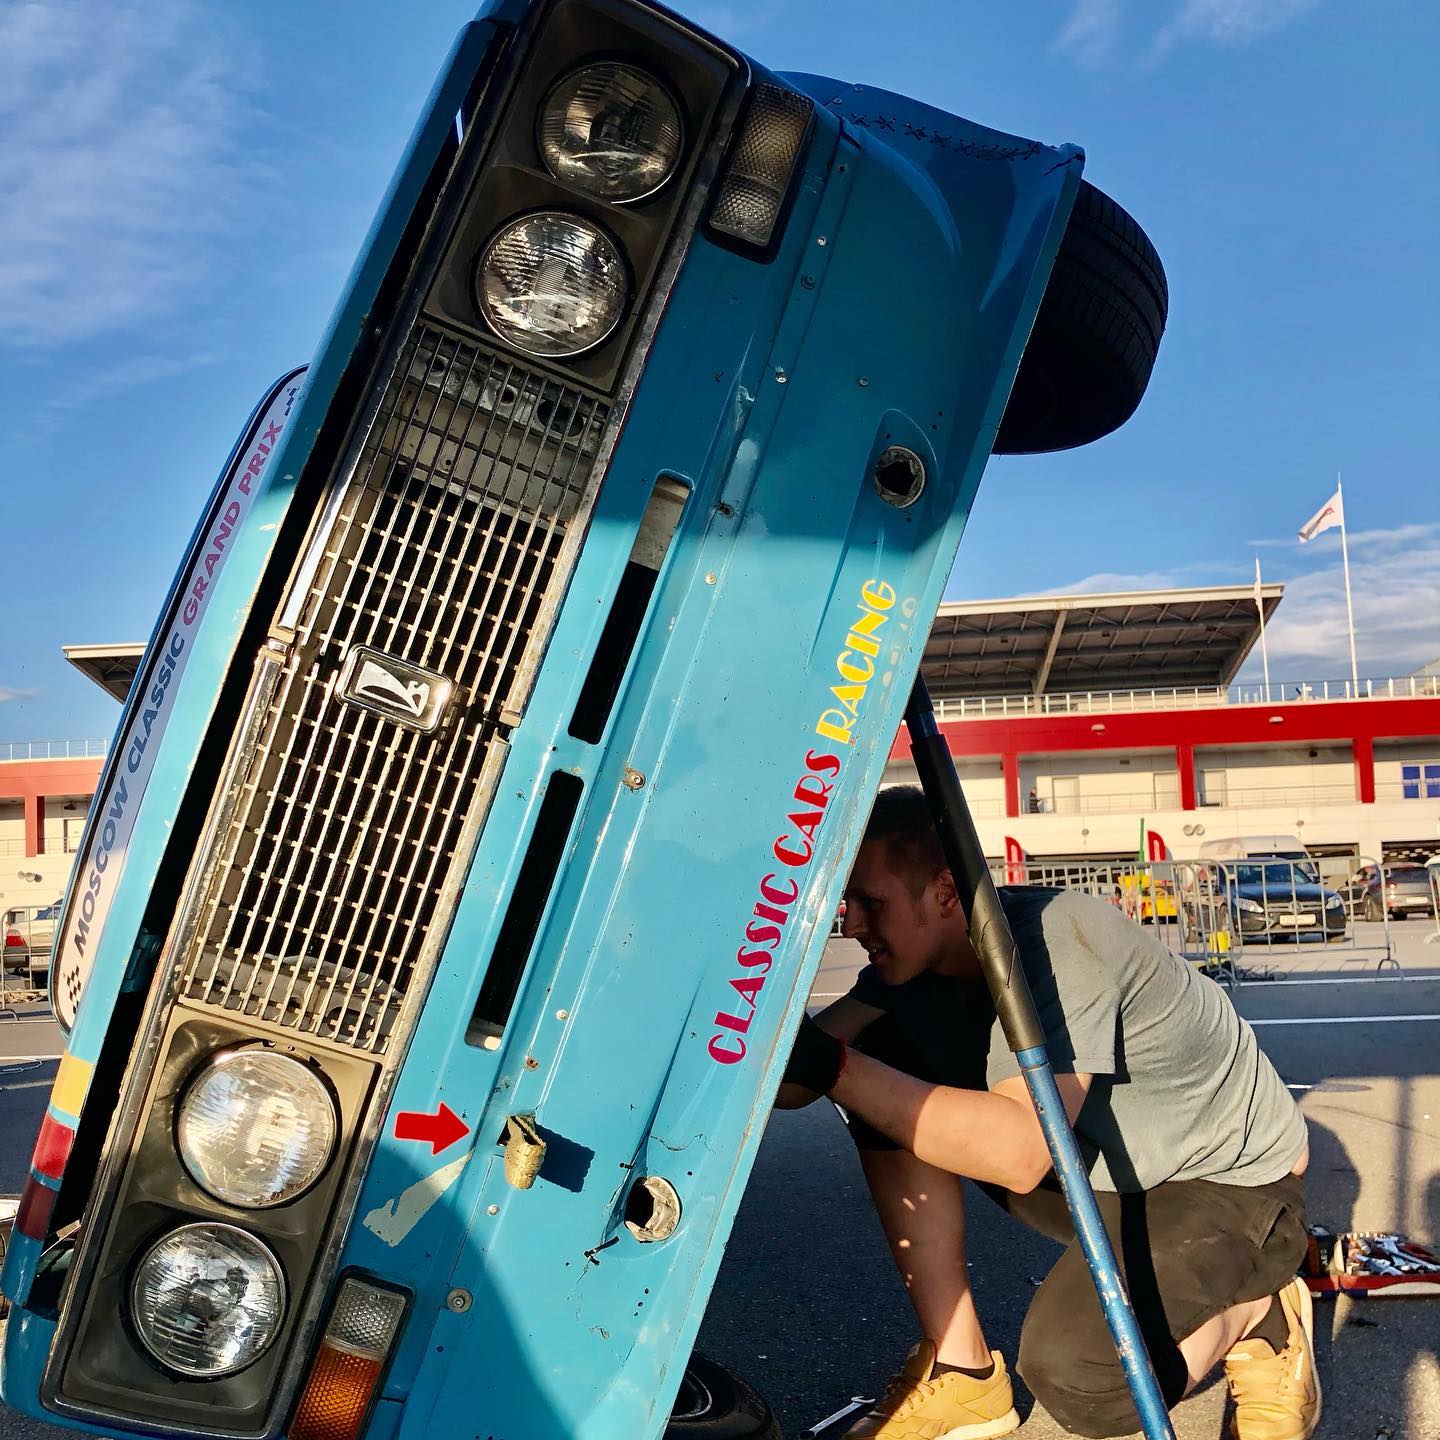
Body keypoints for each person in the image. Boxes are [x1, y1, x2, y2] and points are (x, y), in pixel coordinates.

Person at [778, 786, 1319, 1440]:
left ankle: (1260, 1312)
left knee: (1081, 1376)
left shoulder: (1053, 943)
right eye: (848, 904)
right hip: (1111, 1175)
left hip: (1231, 1184)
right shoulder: (916, 964)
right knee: (879, 1062)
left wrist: (834, 1067)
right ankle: (962, 1372)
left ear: (945, 892)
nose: (853, 925)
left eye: (871, 903)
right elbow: (795, 1080)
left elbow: (1018, 1155)